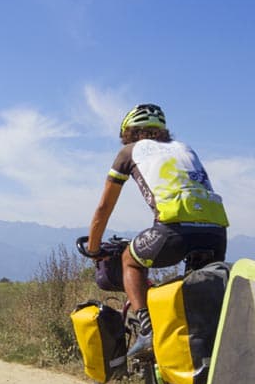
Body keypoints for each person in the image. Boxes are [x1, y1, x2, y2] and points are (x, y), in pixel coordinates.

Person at [87, 103, 228, 356]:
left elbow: (103, 209)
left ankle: (147, 330)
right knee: (193, 294)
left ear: (129, 133)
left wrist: (93, 248)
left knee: (130, 260)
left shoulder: (129, 152)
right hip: (217, 232)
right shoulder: (186, 149)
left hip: (174, 230)